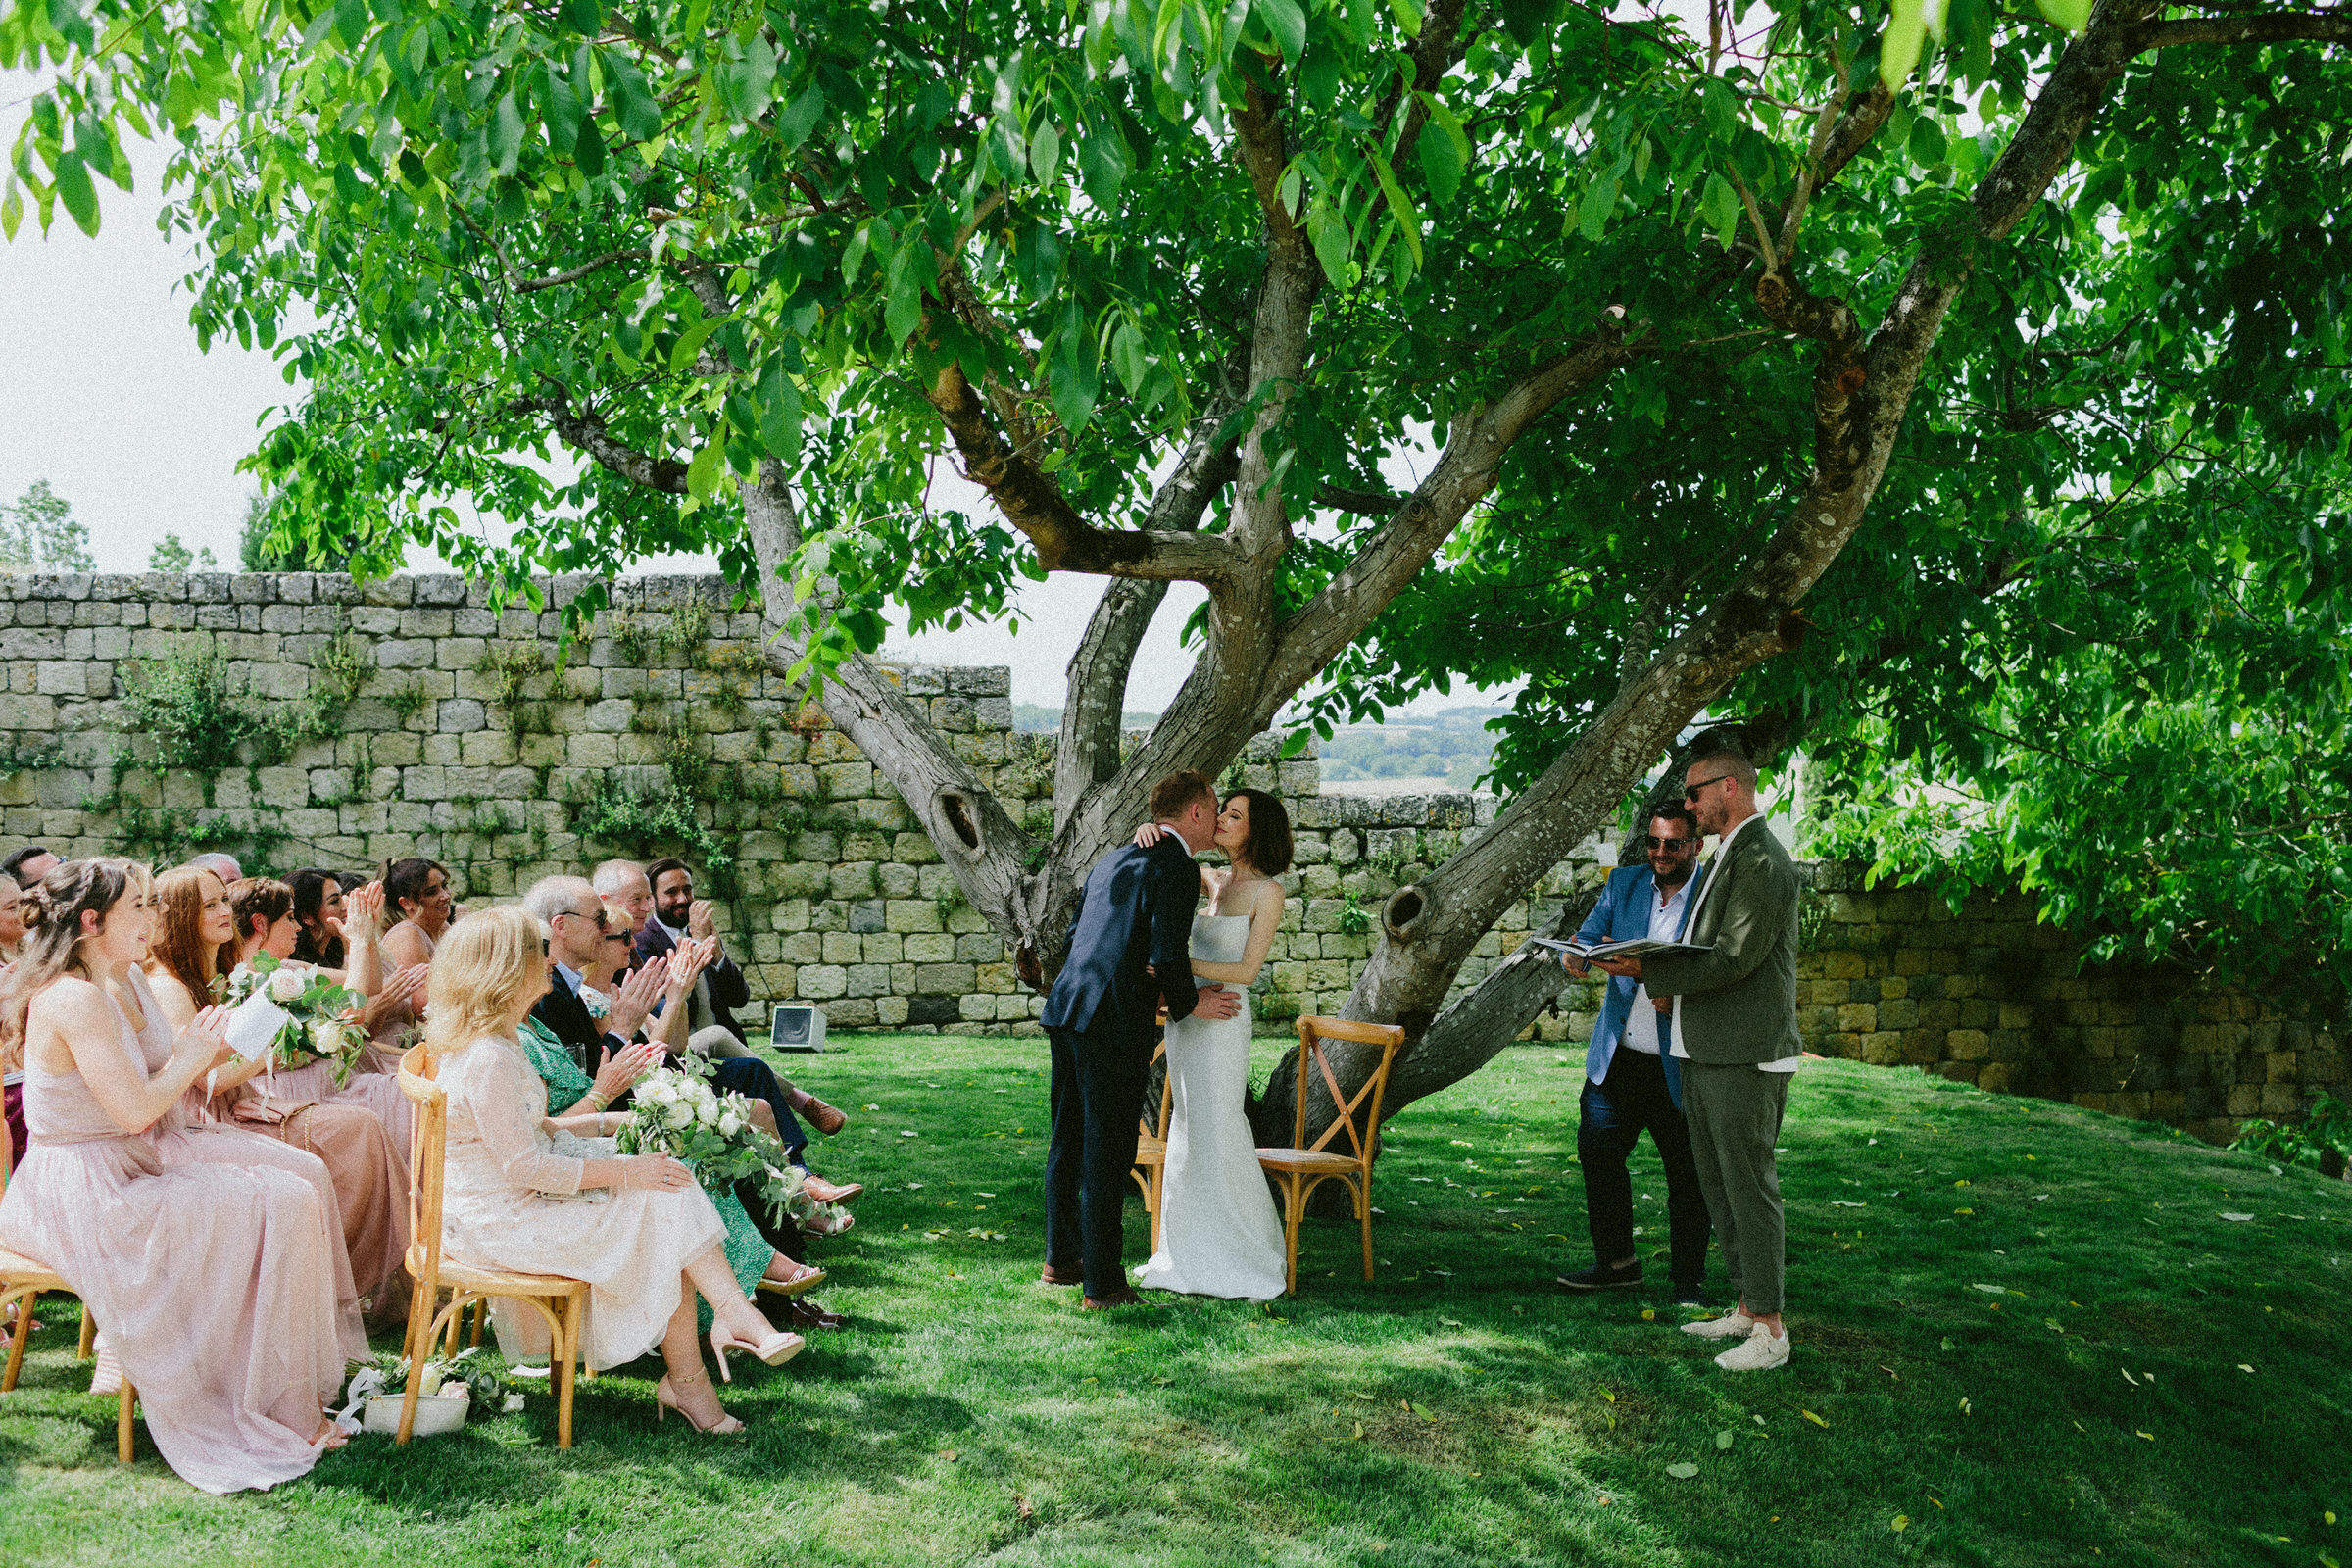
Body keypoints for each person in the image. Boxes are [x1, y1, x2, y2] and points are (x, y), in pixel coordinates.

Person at [0, 858, 355, 1492]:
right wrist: (193, 1055)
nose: (153, 916)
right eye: (138, 906)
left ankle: (280, 1390)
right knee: (275, 1200)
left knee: (292, 1191)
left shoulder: (125, 978)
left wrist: (220, 1042)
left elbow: (175, 1078)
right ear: (91, 921)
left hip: (138, 1161)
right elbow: (136, 1110)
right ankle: (269, 1400)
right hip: (86, 1186)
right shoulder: (72, 998)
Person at [422, 905, 802, 1432]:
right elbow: (522, 1166)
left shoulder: (498, 1040)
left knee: (666, 1185)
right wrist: (626, 1172)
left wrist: (604, 1125)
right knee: (659, 1200)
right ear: (507, 969)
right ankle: (718, 1344)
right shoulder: (488, 1054)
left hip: (512, 1203)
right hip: (498, 1224)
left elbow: (533, 1132)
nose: (549, 961)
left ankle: (718, 1344)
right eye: (538, 953)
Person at [1594, 742, 1802, 1373]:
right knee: (1718, 1184)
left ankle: (1770, 1327)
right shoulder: (1729, 856)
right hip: (1706, 1046)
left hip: (1743, 1053)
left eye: (1695, 793)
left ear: (1730, 788)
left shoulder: (1762, 861)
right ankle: (1746, 1304)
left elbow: (1736, 955)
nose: (1689, 805)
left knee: (1748, 1185)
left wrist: (1649, 969)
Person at [145, 865, 407, 1315]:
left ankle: (361, 1280)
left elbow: (354, 1003)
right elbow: (206, 1083)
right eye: (210, 905)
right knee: (349, 1136)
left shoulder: (228, 972)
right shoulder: (171, 987)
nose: (226, 911)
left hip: (242, 1103)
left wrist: (358, 940)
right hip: (203, 1124)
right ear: (181, 916)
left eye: (224, 900)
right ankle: (319, 1293)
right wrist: (276, 1030)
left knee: (364, 1127)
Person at [1039, 769, 1241, 1309]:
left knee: (1068, 1139)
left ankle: (1060, 1259)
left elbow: (1073, 934)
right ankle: (1102, 1285)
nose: (1218, 817)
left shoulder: (1113, 858)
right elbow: (1166, 956)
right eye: (1214, 807)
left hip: (1067, 1006)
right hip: (1111, 1022)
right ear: (1195, 812)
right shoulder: (1176, 867)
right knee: (1109, 1151)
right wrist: (1192, 1001)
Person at [1130, 789, 1292, 1301]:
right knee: (1186, 1128)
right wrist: (1146, 833)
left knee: (1221, 1128)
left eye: (1235, 816)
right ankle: (1185, 1254)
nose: (1221, 819)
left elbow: (1245, 971)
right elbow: (1166, 851)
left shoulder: (1270, 893)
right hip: (1186, 1023)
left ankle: (1242, 1255)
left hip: (1222, 1023)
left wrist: (1177, 968)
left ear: (1256, 831)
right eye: (1223, 810)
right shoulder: (1210, 879)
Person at [1552, 806, 1712, 1302]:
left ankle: (1688, 1281)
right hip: (1618, 1056)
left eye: (1673, 845)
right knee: (1598, 1154)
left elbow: (1720, 967)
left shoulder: (1713, 895)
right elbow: (1587, 936)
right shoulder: (1623, 883)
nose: (1660, 854)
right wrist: (1574, 953)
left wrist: (1672, 989)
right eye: (1654, 843)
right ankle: (1617, 1263)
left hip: (1680, 1061)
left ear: (1695, 846)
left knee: (1688, 1175)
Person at [634, 858, 850, 1138]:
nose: (683, 899)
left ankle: (797, 1156)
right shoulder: (643, 943)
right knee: (727, 1046)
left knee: (749, 1074)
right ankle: (800, 1103)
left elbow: (739, 997)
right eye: (671, 892)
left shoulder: (701, 931)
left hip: (727, 1048)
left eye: (688, 890)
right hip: (683, 1052)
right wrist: (697, 947)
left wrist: (718, 955)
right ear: (652, 900)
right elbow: (671, 1007)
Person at [378, 857, 454, 973]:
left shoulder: (443, 927)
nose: (446, 896)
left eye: (444, 885)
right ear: (406, 903)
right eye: (431, 892)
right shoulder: (406, 936)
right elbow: (421, 991)